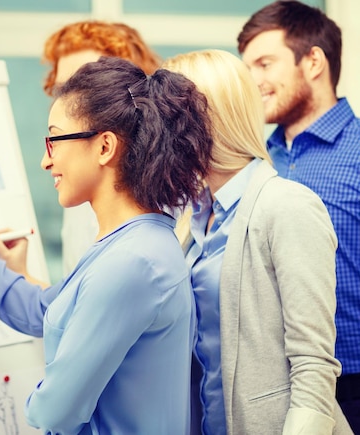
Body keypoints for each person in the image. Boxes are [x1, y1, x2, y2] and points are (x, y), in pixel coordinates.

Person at [0, 56, 214, 434]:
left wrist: (40, 397)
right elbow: (43, 309)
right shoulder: (133, 245)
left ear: (104, 147)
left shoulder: (133, 262)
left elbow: (54, 411)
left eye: (54, 140)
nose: (44, 161)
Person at [163, 49, 352, 434]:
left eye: (166, 120)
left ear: (206, 120)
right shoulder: (193, 215)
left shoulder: (287, 206)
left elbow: (314, 364)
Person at [237, 2, 360, 431]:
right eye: (247, 68)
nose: (253, 81)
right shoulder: (257, 160)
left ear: (312, 62)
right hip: (273, 385)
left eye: (265, 63)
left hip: (354, 382)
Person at [41, 20, 163, 275]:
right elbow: (70, 301)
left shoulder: (164, 192)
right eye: (63, 89)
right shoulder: (78, 186)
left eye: (86, 85)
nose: (70, 102)